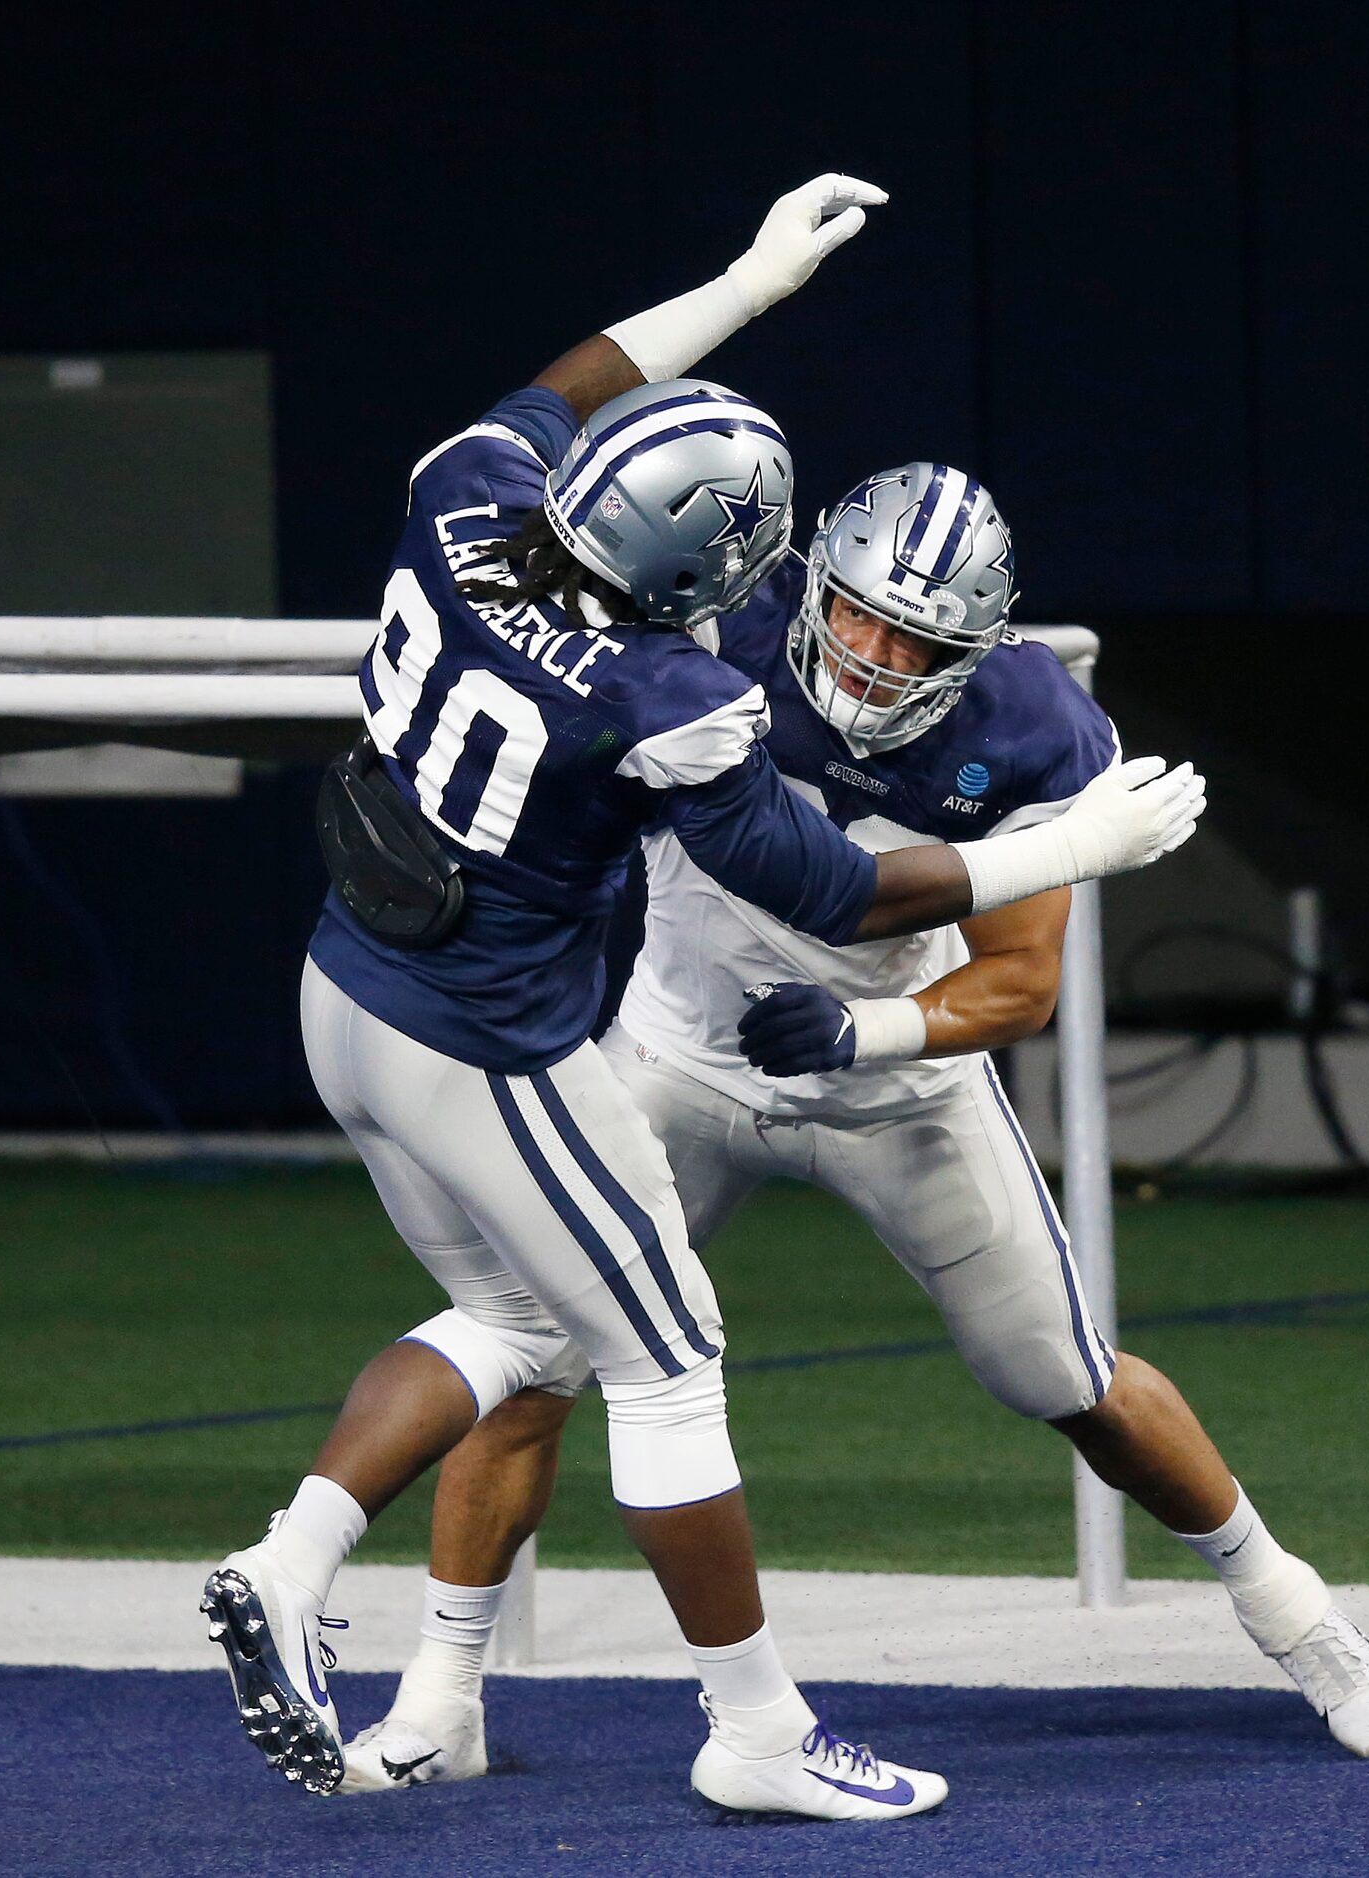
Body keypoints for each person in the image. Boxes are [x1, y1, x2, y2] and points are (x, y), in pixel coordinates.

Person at [200, 177, 1208, 1819]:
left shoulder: (459, 490)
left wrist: (740, 286)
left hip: (343, 988)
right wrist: (1065, 849)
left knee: (519, 1326)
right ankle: (753, 1727)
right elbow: (834, 892)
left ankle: (297, 1557)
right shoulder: (675, 695)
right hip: (487, 1040)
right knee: (664, 1358)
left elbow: (571, 381)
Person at [333, 466, 1369, 1794]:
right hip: (679, 1054)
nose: (878, 657)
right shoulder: (707, 620)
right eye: (859, 618)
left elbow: (1020, 977)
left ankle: (1294, 1611)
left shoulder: (1034, 725)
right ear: (810, 583)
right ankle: (441, 1693)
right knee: (540, 1356)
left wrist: (869, 1035)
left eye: (921, 642)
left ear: (982, 645)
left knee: (1068, 1379)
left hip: (897, 1082)